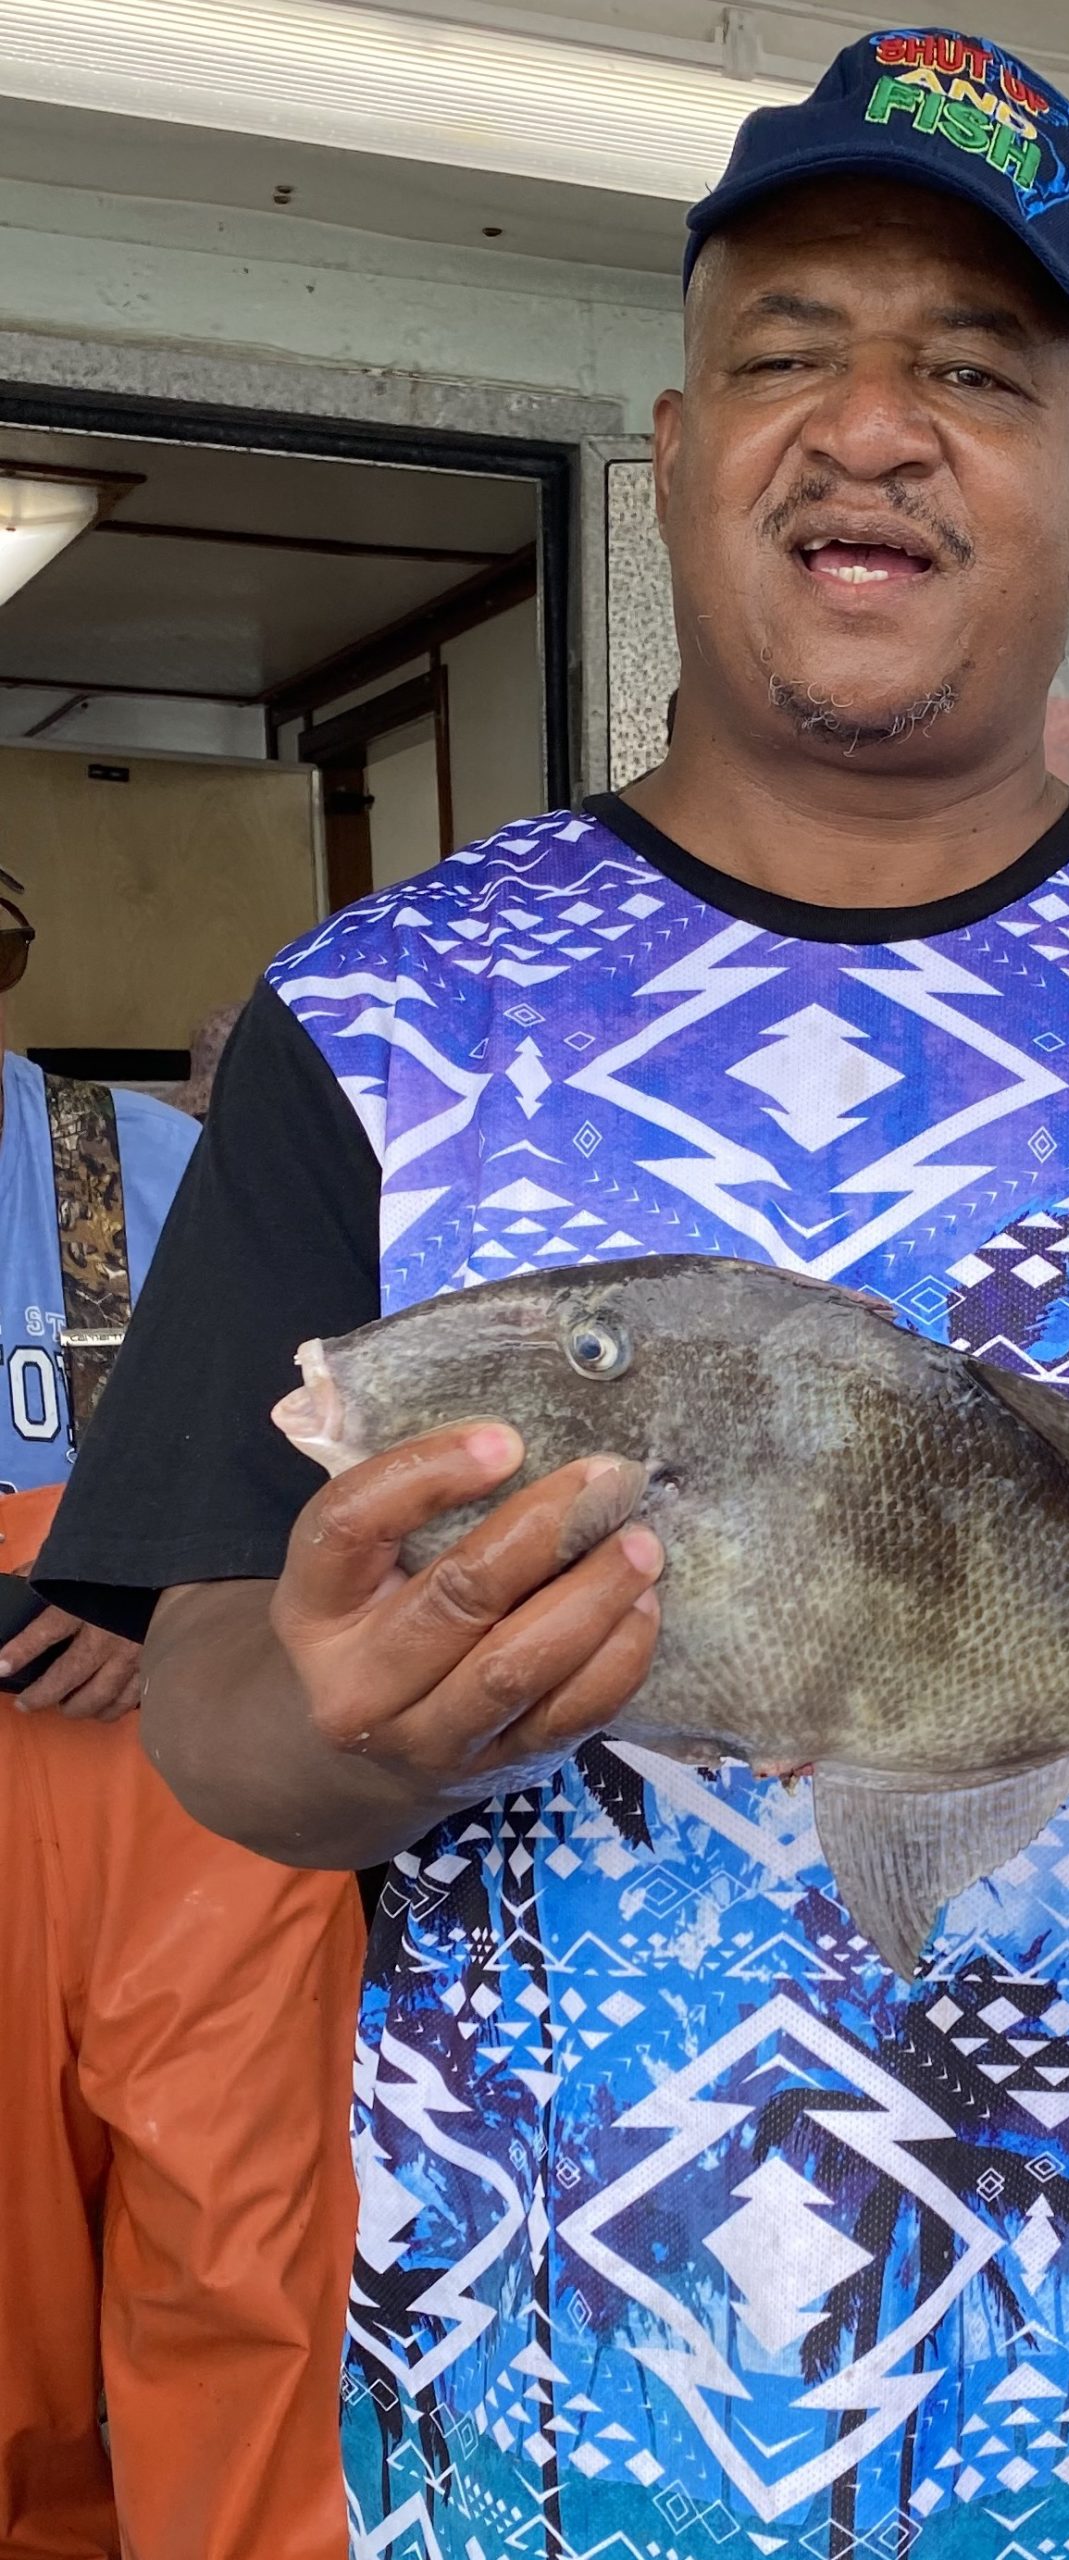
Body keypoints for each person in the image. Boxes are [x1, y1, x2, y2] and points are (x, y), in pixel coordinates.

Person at [38, 31, 1069, 2560]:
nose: (871, 425)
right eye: (790, 351)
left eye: (976, 369)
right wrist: (349, 1723)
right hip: (550, 2436)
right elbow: (220, 1699)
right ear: (671, 446)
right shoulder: (373, 1019)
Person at [0, 882, 362, 2560]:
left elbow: (360, 1456)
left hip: (191, 1800)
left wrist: (173, 1589)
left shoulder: (165, 1169)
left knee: (248, 2264)